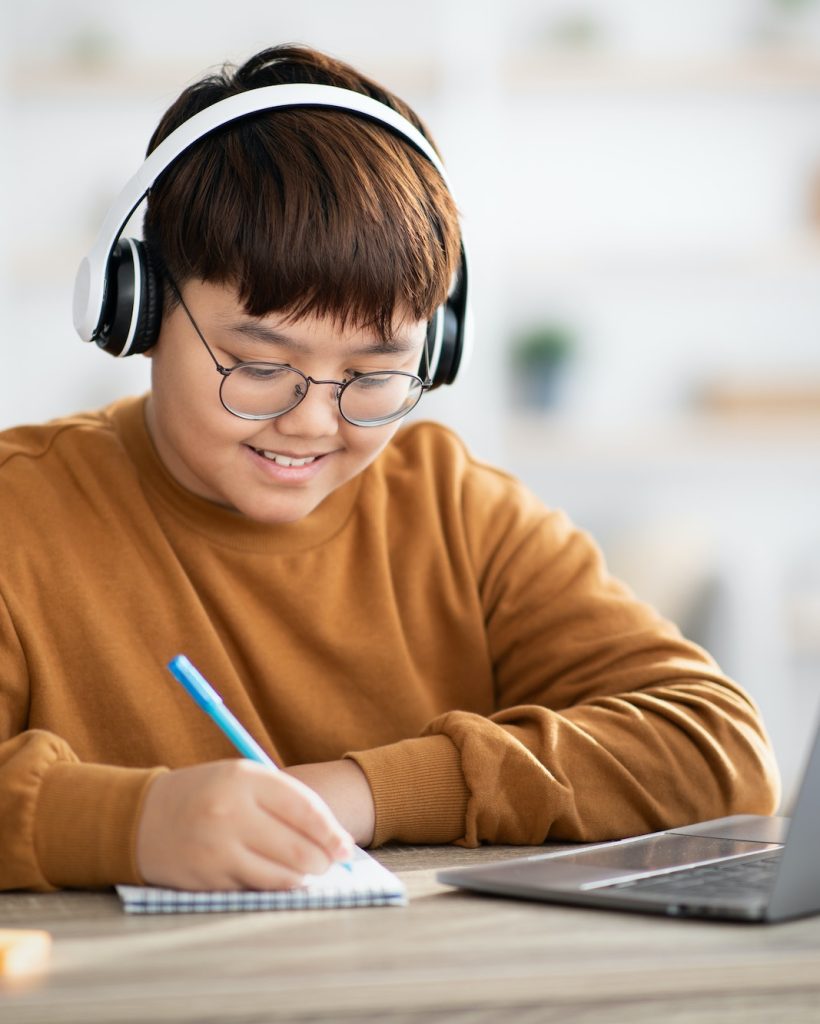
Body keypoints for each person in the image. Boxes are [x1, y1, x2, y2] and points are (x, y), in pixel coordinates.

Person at [0, 44, 779, 894]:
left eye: (374, 376)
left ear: (436, 352)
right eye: (257, 365)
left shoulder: (453, 507)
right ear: (135, 307)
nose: (312, 421)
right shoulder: (21, 513)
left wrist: (365, 791)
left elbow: (717, 748)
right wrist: (129, 824)